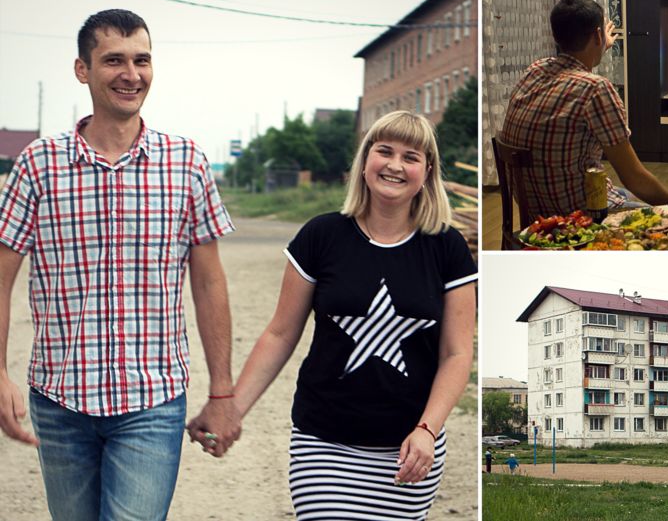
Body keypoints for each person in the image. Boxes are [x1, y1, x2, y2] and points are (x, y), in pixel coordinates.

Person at [0, 9, 238, 521]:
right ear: (82, 69)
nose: (132, 74)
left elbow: (209, 285)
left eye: (142, 60)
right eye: (114, 60)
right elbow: (0, 279)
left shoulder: (186, 163)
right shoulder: (38, 165)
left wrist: (222, 391)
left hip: (151, 402)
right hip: (59, 399)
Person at [194, 110, 477, 520]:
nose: (396, 165)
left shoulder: (446, 246)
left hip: (408, 447)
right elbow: (280, 334)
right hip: (324, 440)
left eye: (411, 156)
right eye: (385, 151)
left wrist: (427, 430)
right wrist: (231, 409)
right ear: (365, 162)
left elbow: (456, 354)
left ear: (427, 170)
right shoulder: (321, 236)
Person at [499, 0, 668, 219]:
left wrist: (598, 47)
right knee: (657, 211)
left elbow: (573, 75)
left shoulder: (535, 70)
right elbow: (636, 179)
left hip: (536, 217)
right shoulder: (596, 89)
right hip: (577, 220)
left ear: (556, 35)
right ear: (598, 35)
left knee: (621, 192)